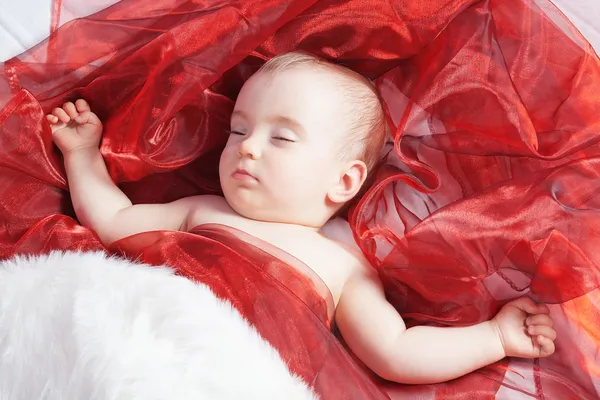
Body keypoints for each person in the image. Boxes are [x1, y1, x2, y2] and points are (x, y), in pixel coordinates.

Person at [47, 51, 556, 385]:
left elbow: (397, 351)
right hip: (133, 338)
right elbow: (113, 220)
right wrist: (83, 155)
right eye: (237, 130)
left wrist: (494, 338)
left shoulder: (343, 268)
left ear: (344, 181)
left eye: (282, 138)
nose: (247, 149)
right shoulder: (200, 210)